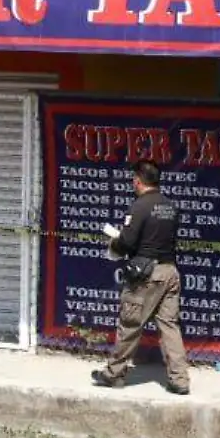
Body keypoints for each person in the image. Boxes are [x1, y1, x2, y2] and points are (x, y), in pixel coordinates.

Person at [90, 160, 189, 395]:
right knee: (170, 327)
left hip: (146, 275)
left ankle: (114, 374)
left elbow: (127, 243)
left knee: (130, 324)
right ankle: (180, 380)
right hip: (170, 272)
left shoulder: (139, 206)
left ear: (138, 180)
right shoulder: (170, 206)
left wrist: (114, 241)